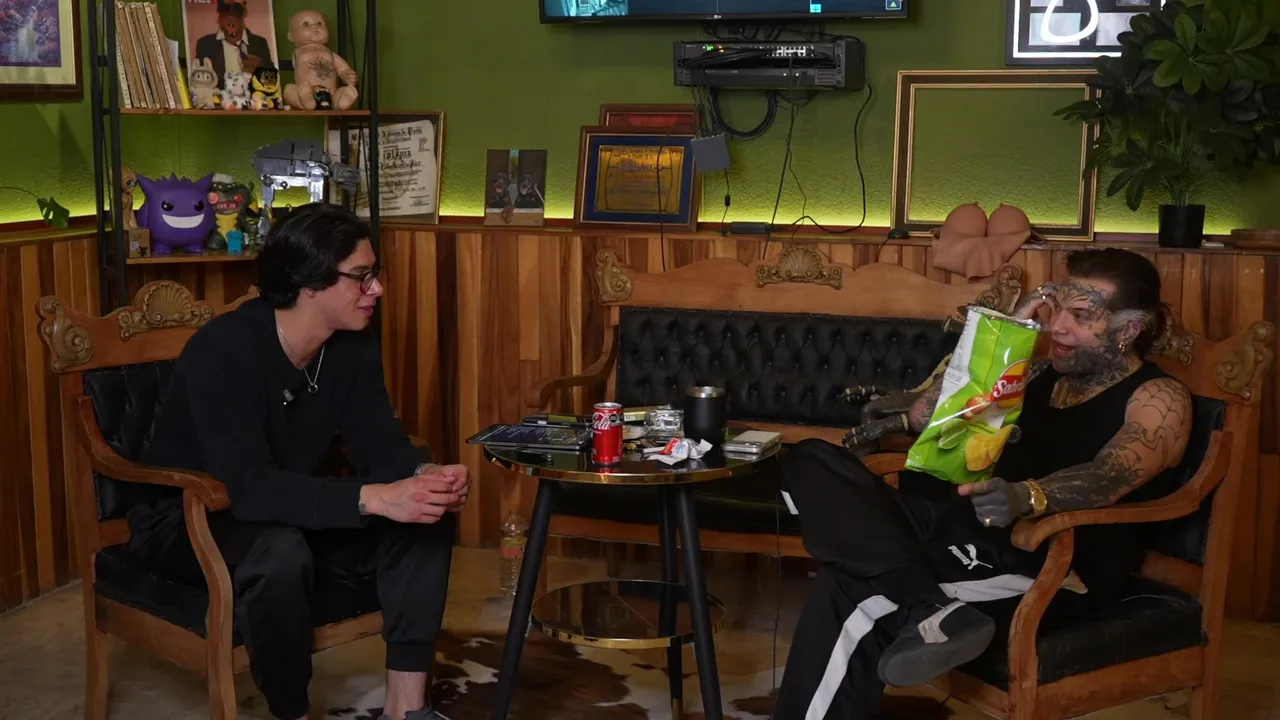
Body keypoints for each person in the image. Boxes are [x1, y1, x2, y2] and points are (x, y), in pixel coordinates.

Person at [773, 248, 1193, 719]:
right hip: (956, 530)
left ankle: (921, 604)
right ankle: (930, 606)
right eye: (1056, 309)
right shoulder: (1038, 372)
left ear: (1128, 329)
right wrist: (1006, 332)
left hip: (1043, 563)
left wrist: (1027, 495)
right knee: (809, 460)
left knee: (854, 587)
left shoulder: (1158, 397)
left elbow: (1110, 473)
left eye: (1080, 316)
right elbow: (928, 416)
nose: (1056, 327)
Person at [127, 202, 465, 720]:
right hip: (188, 518)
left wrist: (425, 478)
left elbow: (379, 445)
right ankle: (291, 712)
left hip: (284, 506)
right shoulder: (223, 351)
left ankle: (406, 708)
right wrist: (375, 498)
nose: (377, 289)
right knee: (279, 553)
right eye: (361, 277)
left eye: (374, 273)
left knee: (425, 514)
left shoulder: (352, 343)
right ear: (309, 282)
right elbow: (248, 487)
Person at [194, 0, 275, 82]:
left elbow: (272, 80)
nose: (231, 19)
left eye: (236, 10)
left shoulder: (259, 43)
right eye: (225, 9)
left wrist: (259, 70)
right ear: (220, 16)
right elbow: (197, 81)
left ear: (243, 14)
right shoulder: (205, 44)